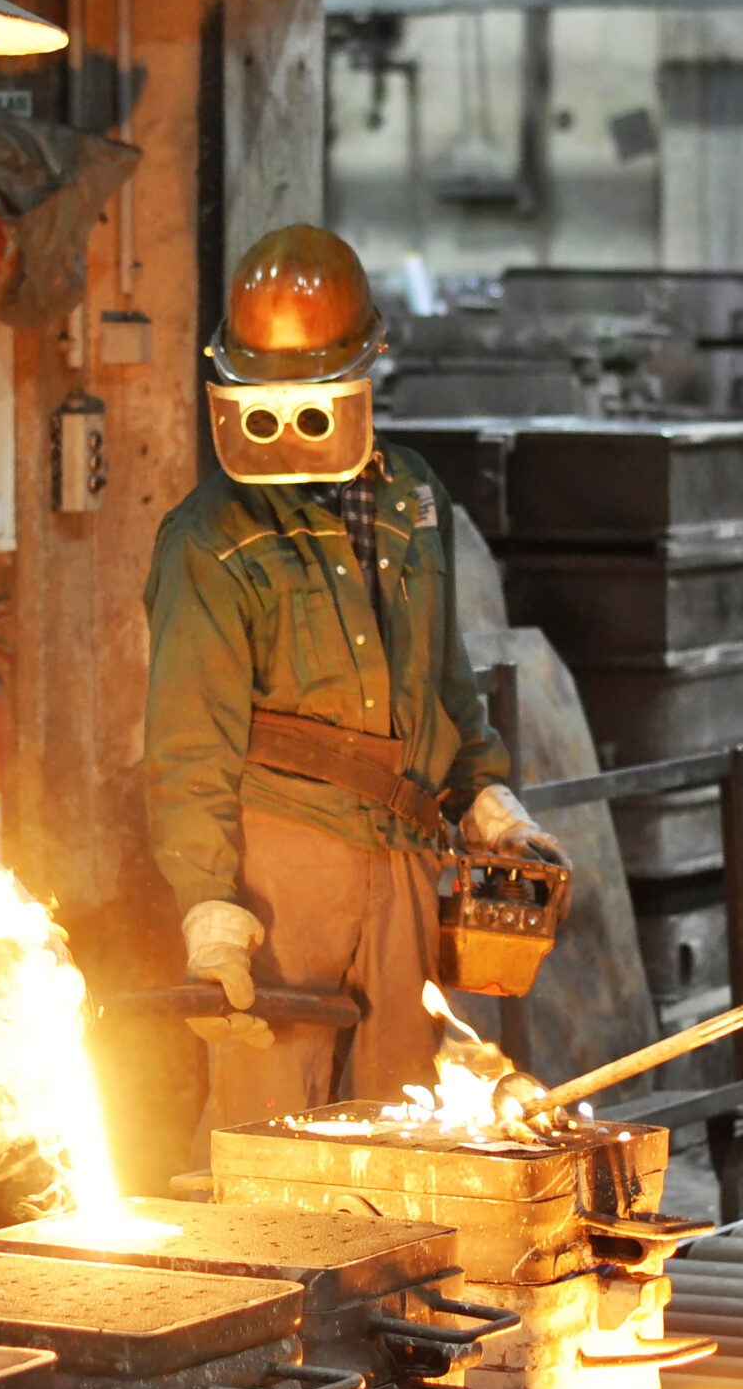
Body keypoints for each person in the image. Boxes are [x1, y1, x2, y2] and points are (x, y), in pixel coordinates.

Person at [142, 224, 566, 1138]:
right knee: (271, 1128)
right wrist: (211, 906)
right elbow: (189, 740)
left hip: (407, 856)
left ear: (365, 374)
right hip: (283, 871)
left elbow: (444, 677)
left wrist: (486, 798)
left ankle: (394, 1286)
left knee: (404, 1121)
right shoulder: (210, 536)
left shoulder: (413, 496)